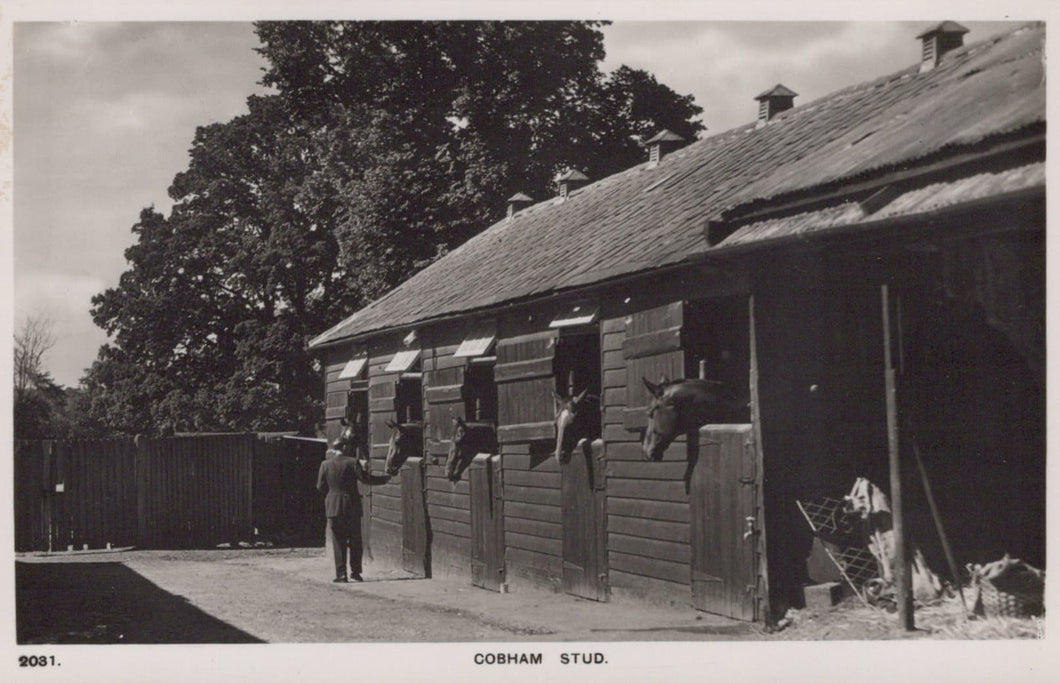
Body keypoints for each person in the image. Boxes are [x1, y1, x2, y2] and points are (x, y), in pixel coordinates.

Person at [317, 421, 367, 583]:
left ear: (334, 450)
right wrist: (384, 479)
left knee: (338, 541)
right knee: (355, 540)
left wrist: (331, 495)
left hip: (333, 506)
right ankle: (356, 572)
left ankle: (341, 574)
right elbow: (365, 479)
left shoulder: (325, 465)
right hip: (352, 505)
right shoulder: (353, 463)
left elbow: (320, 487)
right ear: (345, 448)